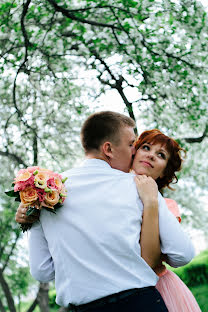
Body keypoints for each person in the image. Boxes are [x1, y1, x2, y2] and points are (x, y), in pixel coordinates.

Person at [15, 111, 195, 312]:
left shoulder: (49, 192)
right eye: (131, 145)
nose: (134, 152)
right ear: (108, 149)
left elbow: (42, 271)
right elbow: (183, 254)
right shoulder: (139, 188)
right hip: (140, 304)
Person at [133, 129, 201, 311]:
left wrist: (151, 202)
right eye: (146, 147)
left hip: (159, 288)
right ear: (134, 151)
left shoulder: (167, 206)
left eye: (161, 155)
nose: (151, 155)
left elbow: (153, 261)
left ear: (164, 172)